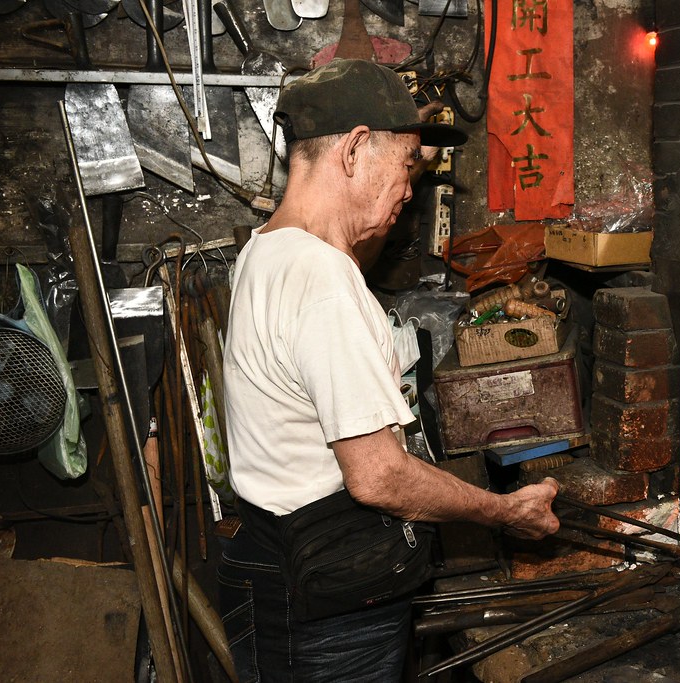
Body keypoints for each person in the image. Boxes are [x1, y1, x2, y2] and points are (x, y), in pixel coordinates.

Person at [218, 59, 561, 682]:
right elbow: (376, 478)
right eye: (407, 166)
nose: (411, 189)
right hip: (326, 585)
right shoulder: (322, 279)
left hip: (270, 560)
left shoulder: (262, 251)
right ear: (353, 149)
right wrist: (502, 512)